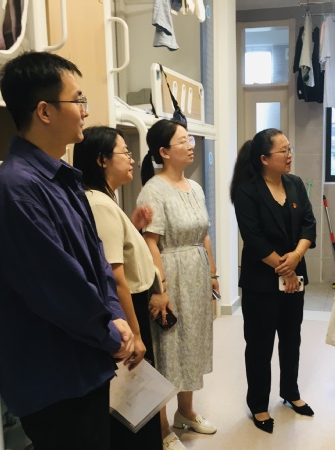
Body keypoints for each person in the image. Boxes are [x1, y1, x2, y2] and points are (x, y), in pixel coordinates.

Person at [0, 51, 134, 450]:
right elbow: (56, 286)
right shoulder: (15, 190)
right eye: (78, 100)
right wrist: (110, 332)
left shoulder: (62, 179)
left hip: (86, 363)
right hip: (53, 379)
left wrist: (115, 314)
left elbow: (96, 259)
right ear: (45, 111)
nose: (85, 111)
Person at [73, 126, 164, 449]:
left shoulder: (105, 200)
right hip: (127, 308)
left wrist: (133, 226)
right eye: (125, 152)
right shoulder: (98, 203)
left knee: (139, 400)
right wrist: (135, 334)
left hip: (130, 306)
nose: (132, 159)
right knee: (134, 402)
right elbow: (115, 276)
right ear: (101, 160)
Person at [137, 119, 218, 450]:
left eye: (190, 140)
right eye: (183, 141)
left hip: (196, 274)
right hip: (171, 274)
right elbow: (150, 242)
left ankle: (186, 412)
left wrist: (212, 274)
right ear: (164, 152)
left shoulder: (194, 187)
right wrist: (161, 289)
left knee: (192, 345)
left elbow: (204, 234)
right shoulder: (153, 190)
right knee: (168, 350)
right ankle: (161, 428)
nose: (190, 145)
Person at [229, 128, 317, 434]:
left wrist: (296, 257)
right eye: (284, 151)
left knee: (292, 338)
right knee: (260, 345)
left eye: (289, 149)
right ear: (265, 159)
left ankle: (290, 392)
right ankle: (258, 405)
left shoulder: (294, 184)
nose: (290, 155)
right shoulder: (247, 191)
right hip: (261, 283)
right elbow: (253, 238)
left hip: (294, 278)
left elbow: (308, 224)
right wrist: (286, 268)